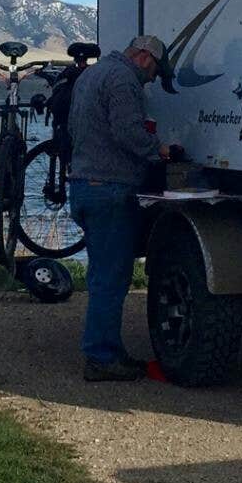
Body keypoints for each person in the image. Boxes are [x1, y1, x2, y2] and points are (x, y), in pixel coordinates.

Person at [66, 35, 174, 381]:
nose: (151, 80)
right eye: (154, 72)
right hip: (110, 188)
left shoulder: (91, 75)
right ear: (145, 58)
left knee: (101, 275)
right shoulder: (124, 80)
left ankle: (105, 350)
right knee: (111, 279)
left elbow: (73, 127)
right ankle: (101, 357)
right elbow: (127, 131)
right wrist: (160, 150)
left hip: (83, 184)